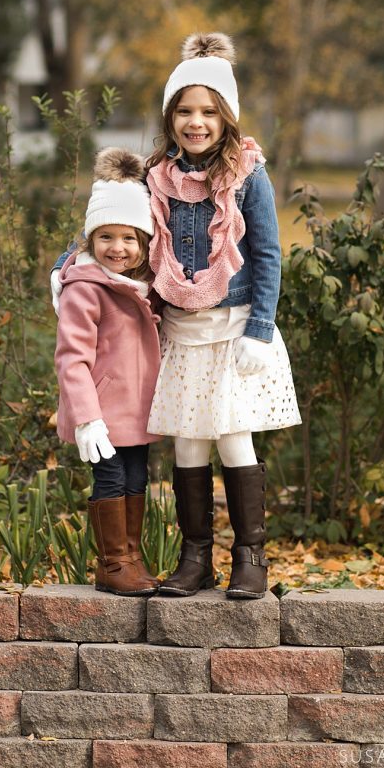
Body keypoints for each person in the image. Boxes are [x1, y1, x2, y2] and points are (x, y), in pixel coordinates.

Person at [52, 32, 301, 600]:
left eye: (209, 112)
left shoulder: (248, 175)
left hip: (234, 326)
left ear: (227, 118)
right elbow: (113, 229)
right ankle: (195, 559)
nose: (196, 122)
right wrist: (69, 266)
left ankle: (250, 555)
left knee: (234, 439)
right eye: (185, 111)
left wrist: (261, 328)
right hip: (181, 330)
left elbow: (266, 254)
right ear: (170, 118)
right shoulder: (155, 175)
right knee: (188, 444)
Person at [54, 147, 161, 597]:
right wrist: (86, 416)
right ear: (90, 240)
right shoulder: (86, 289)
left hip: (137, 413)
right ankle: (113, 563)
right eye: (106, 237)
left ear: (143, 244)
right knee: (112, 479)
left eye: (129, 238)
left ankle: (132, 556)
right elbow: (71, 358)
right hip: (101, 415)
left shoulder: (143, 287)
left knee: (137, 480)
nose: (118, 248)